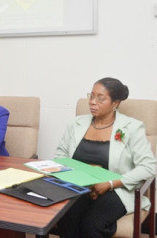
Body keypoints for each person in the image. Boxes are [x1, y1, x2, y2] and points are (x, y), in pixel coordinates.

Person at [54, 77, 156, 238]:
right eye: (91, 96)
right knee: (67, 217)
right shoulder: (76, 124)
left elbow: (149, 167)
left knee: (92, 224)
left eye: (100, 98)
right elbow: (60, 156)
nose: (93, 102)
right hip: (80, 187)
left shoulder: (131, 128)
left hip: (116, 190)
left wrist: (109, 183)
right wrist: (80, 179)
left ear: (115, 103)